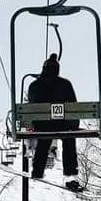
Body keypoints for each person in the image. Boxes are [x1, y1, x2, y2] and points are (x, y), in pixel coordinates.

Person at [26, 53, 82, 191]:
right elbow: (74, 107)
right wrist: (74, 126)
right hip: (63, 124)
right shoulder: (65, 84)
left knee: (44, 138)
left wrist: (32, 125)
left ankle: (38, 171)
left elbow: (31, 107)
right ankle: (70, 173)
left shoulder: (34, 85)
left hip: (42, 125)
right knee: (69, 139)